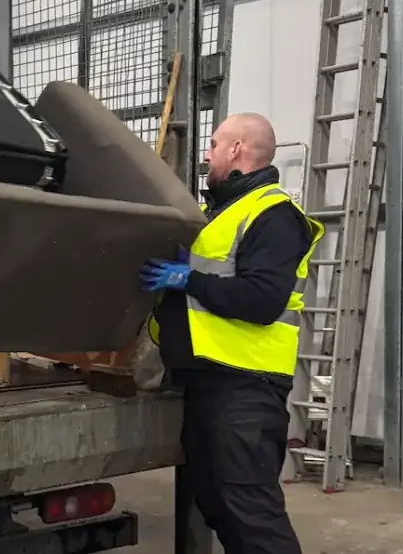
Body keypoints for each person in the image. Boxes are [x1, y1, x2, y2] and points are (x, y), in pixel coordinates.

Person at [139, 112, 323, 554]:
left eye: (215, 144)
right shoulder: (220, 212)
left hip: (247, 387)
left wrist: (189, 280)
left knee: (251, 513)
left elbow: (262, 300)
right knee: (218, 503)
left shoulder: (275, 215)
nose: (208, 153)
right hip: (210, 383)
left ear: (238, 150)